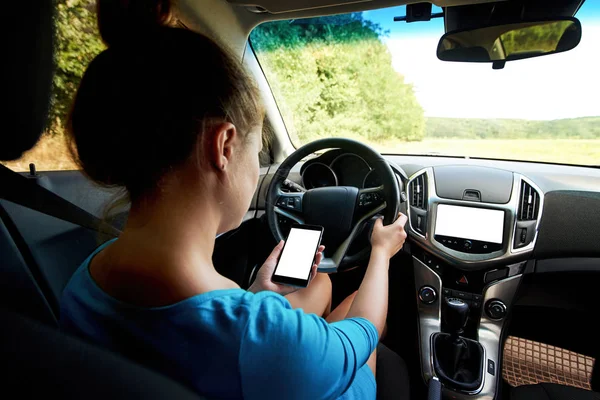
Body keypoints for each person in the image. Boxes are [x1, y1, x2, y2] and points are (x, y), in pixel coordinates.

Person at [60, 1, 409, 399]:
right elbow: (364, 333)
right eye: (257, 148)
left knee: (324, 286)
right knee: (352, 308)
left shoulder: (83, 281)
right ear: (223, 145)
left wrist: (255, 294)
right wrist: (381, 252)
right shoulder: (266, 337)